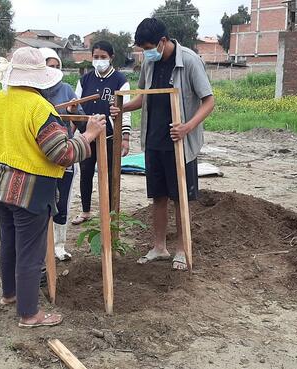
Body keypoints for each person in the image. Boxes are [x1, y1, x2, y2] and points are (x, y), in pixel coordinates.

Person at [0, 47, 106, 328]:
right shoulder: (39, 108)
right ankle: (29, 314)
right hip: (29, 189)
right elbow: (61, 154)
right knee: (31, 251)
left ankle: (10, 295)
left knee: (10, 243)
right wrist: (89, 134)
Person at [116, 18, 215, 271]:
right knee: (158, 196)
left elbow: (209, 102)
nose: (144, 52)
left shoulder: (190, 61)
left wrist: (187, 127)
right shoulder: (149, 62)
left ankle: (182, 248)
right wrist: (122, 107)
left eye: (148, 46)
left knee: (180, 198)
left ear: (162, 41)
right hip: (154, 141)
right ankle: (159, 247)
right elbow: (144, 97)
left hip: (181, 143)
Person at [70, 40, 133, 226]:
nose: (99, 60)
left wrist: (125, 138)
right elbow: (76, 107)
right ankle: (86, 211)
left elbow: (125, 110)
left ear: (111, 58)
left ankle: (112, 213)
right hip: (87, 135)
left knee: (111, 174)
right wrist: (71, 131)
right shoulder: (85, 80)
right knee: (86, 172)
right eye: (96, 57)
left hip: (110, 136)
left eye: (103, 57)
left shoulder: (120, 81)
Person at [39, 47, 83, 261]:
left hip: (64, 154)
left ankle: (59, 245)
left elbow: (81, 121)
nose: (53, 70)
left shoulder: (66, 89)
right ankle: (42, 244)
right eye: (49, 66)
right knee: (42, 201)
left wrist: (74, 112)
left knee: (62, 200)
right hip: (39, 157)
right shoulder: (34, 91)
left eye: (57, 66)